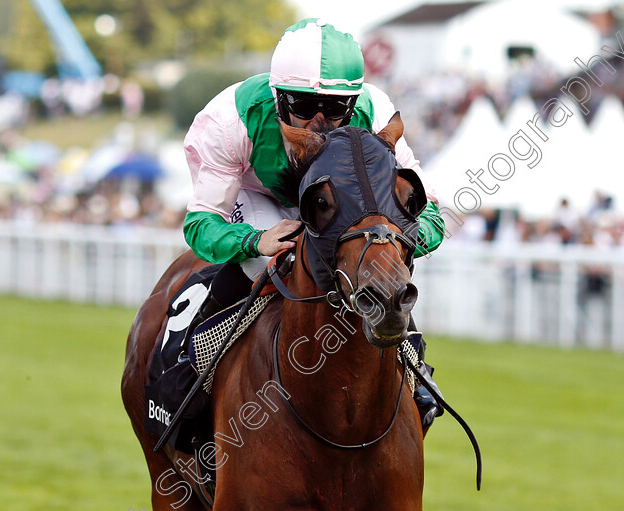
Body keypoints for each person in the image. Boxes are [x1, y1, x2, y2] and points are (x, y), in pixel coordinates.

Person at [180, 18, 447, 429]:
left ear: (353, 104)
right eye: (303, 106)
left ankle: (416, 371)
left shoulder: (373, 113)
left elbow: (427, 213)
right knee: (261, 267)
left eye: (336, 109)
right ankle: (191, 378)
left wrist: (399, 241)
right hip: (259, 201)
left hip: (335, 210)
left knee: (379, 274)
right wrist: (253, 241)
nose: (319, 121)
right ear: (278, 97)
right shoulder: (228, 120)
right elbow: (201, 224)